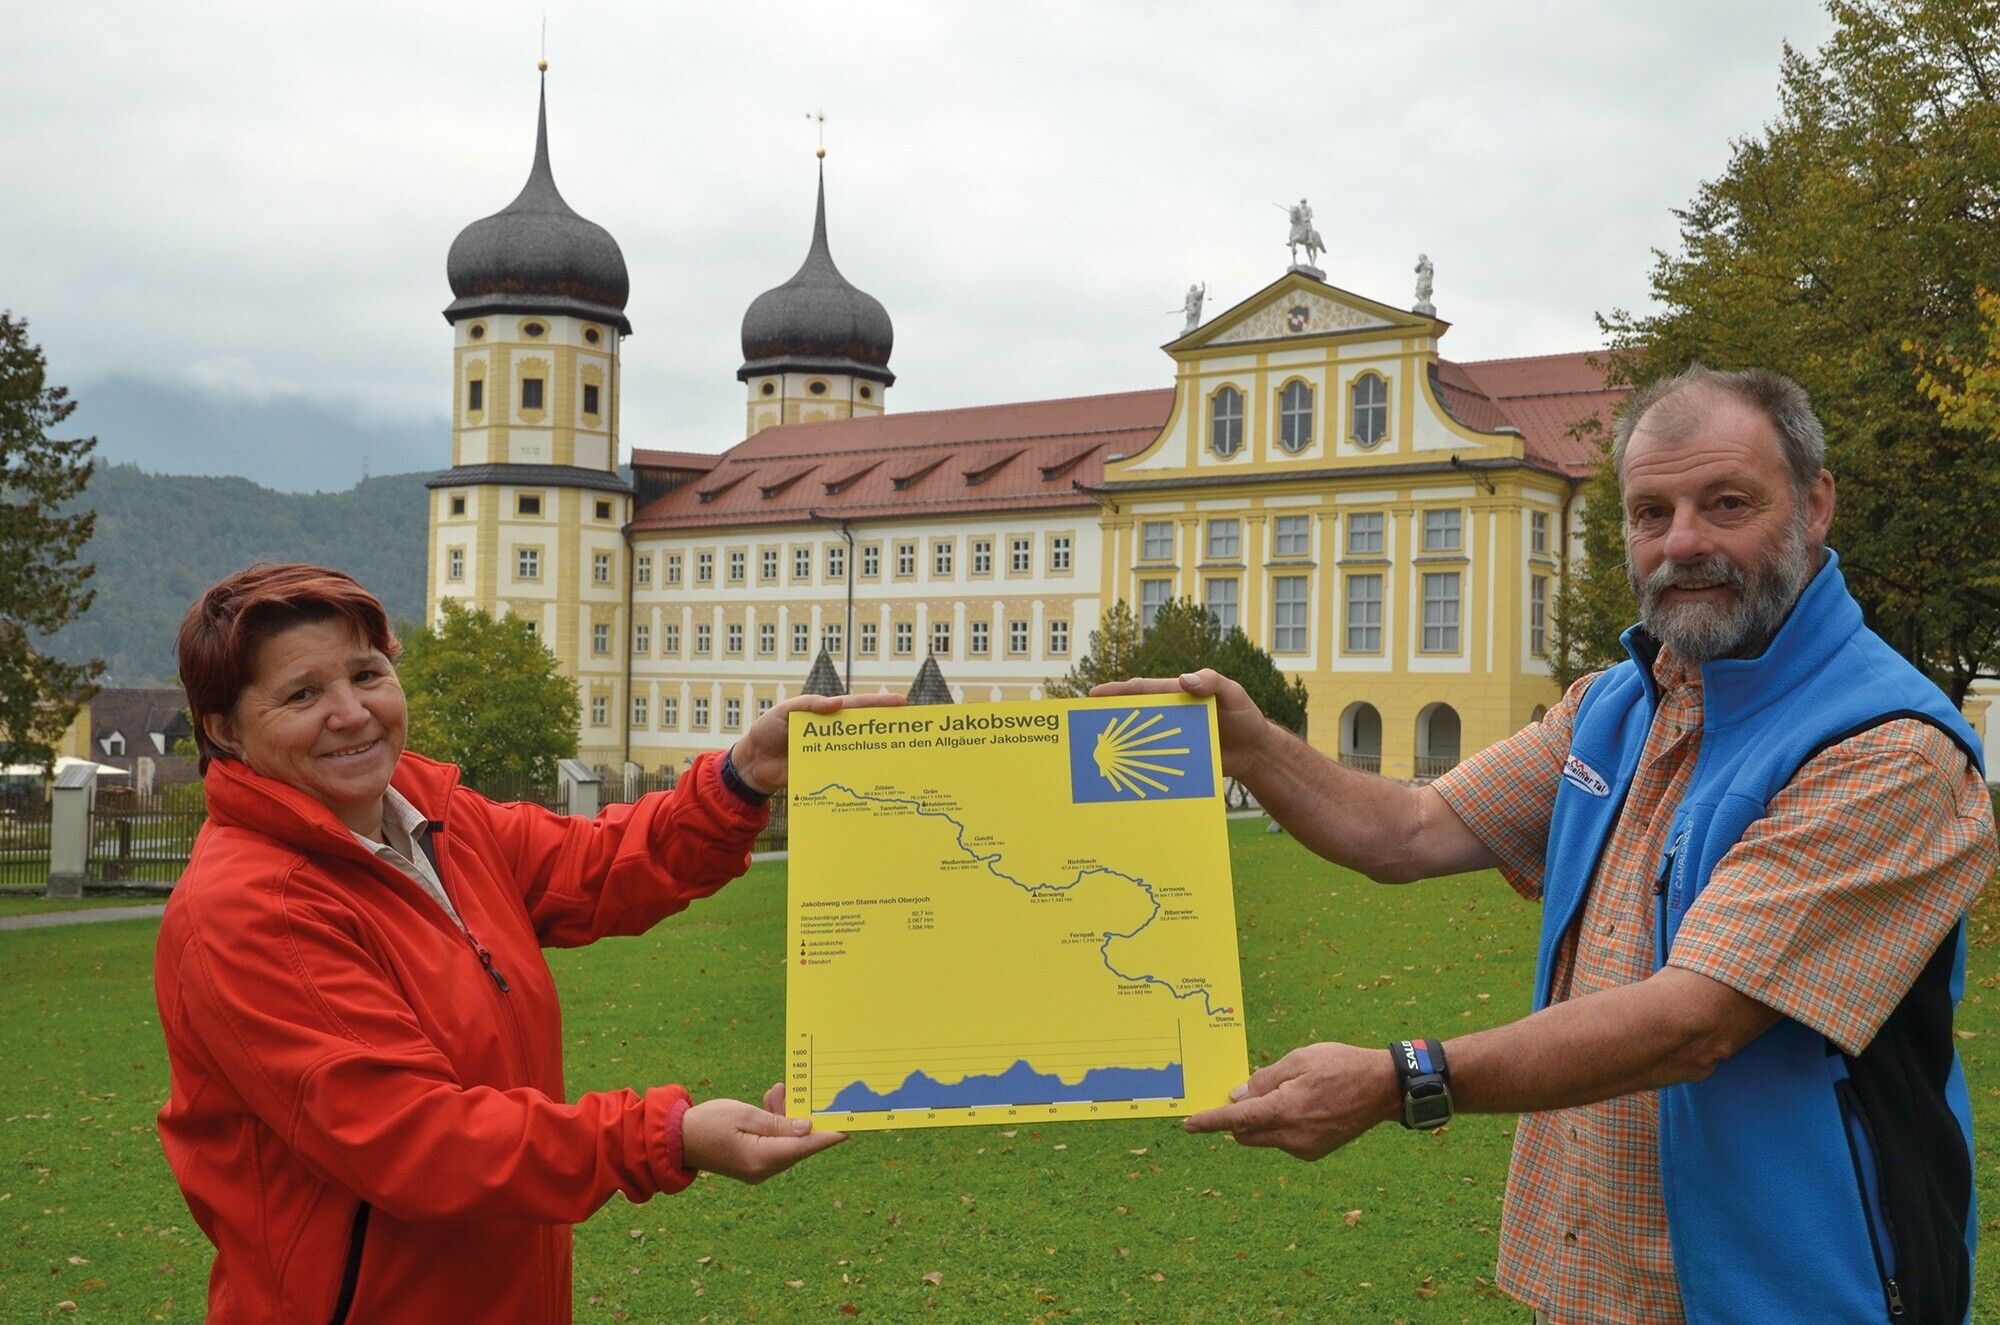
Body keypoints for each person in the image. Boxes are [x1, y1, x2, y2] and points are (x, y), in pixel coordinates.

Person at [1101, 367, 1995, 1325]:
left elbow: (1693, 1021)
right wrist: (1253, 747)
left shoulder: (1887, 745)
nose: (1682, 541)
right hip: (1596, 1284)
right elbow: (1409, 828)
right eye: (1650, 513)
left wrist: (1404, 1077)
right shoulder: (1617, 706)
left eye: (1727, 503)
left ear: (1814, 505)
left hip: (1790, 1294)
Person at [153, 563, 901, 1324]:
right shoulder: (251, 908)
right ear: (223, 729)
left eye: (367, 674)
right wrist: (665, 1136)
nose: (351, 713)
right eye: (302, 695)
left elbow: (603, 865)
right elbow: (416, 1141)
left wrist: (742, 776)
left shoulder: (439, 821)